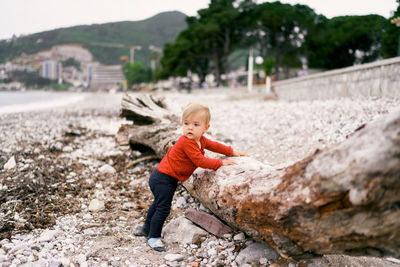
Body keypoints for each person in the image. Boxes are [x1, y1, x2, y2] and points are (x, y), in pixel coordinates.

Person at [133, 103, 248, 252]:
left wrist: (231, 151)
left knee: (157, 204)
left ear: (206, 128)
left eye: (195, 124)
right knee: (163, 208)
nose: (190, 128)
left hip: (165, 178)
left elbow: (214, 145)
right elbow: (200, 161)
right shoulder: (186, 142)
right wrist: (221, 163)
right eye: (186, 123)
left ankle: (145, 228)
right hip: (163, 178)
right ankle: (153, 237)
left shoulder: (201, 140)